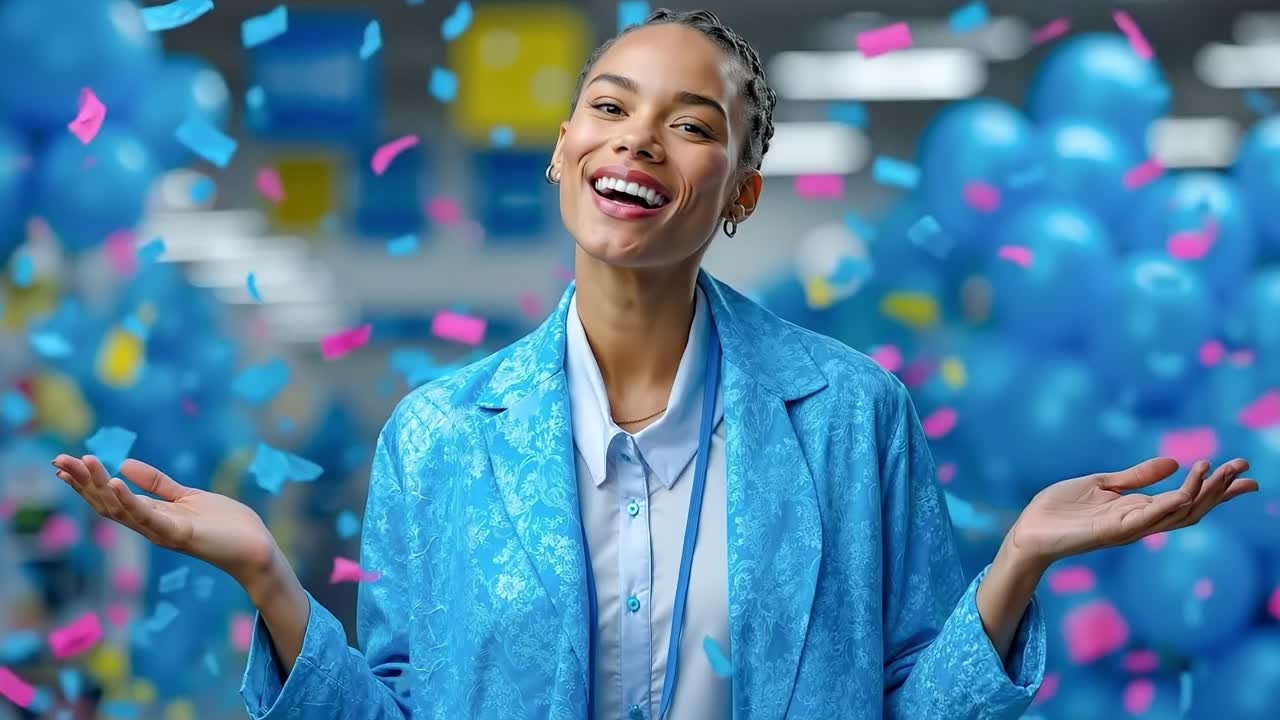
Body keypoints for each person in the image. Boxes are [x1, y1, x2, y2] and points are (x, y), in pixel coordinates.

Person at [51, 9, 1259, 720]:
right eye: (607, 105)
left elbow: (903, 700)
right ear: (564, 147)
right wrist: (270, 579)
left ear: (737, 192)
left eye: (690, 123)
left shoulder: (848, 415)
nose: (637, 137)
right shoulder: (437, 433)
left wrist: (1013, 566)